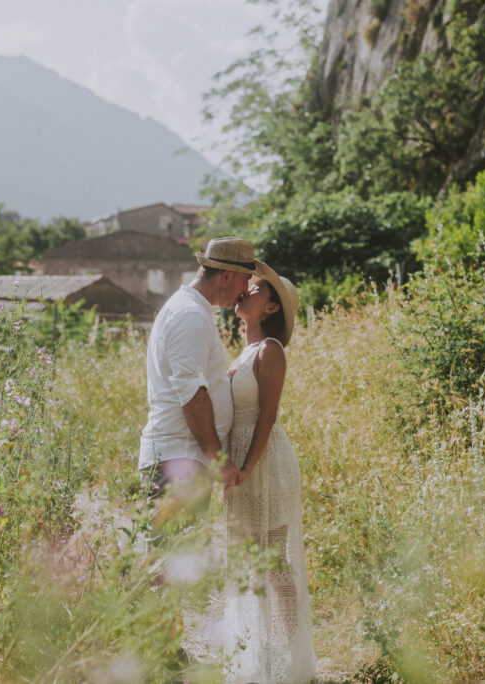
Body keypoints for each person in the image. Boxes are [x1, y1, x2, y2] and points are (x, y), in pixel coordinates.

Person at [223, 261, 315, 683]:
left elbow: (268, 416)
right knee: (250, 560)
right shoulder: (242, 351)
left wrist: (246, 465)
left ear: (272, 308)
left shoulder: (269, 351)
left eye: (255, 288)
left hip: (264, 460)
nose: (245, 290)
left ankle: (292, 658)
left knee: (273, 561)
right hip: (241, 464)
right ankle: (260, 652)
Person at [138, 237, 256, 545]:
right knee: (172, 566)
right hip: (179, 459)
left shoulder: (194, 311)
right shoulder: (189, 315)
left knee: (180, 563)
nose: (246, 290)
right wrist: (217, 458)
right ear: (227, 276)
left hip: (184, 458)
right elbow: (191, 391)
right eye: (245, 279)